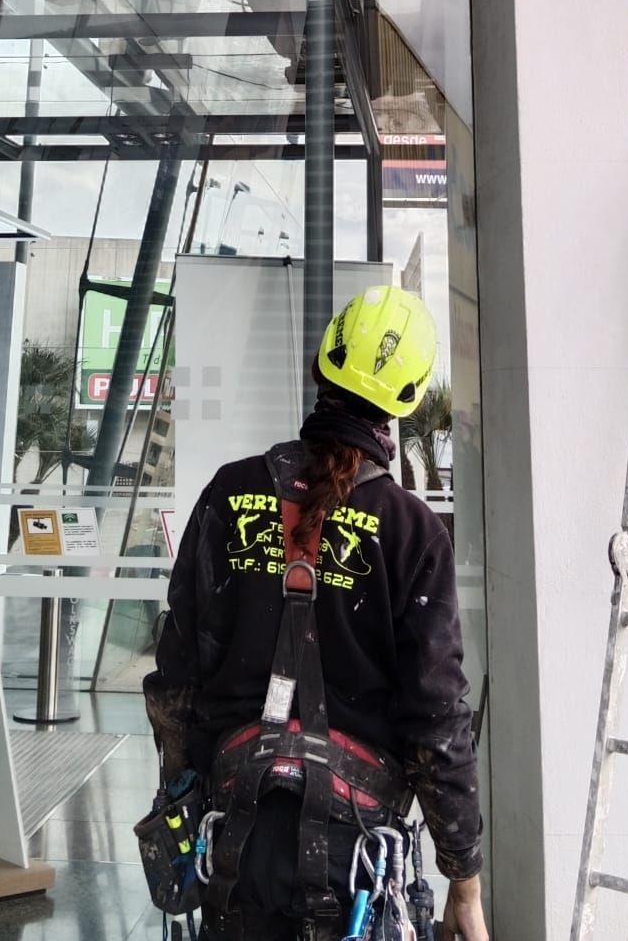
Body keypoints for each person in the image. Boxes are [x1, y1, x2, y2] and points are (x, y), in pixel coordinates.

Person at [144, 288, 488, 940]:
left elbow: (176, 680)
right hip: (352, 860)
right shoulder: (411, 532)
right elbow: (436, 721)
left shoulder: (229, 491)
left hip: (233, 845)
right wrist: (463, 884)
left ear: (321, 367)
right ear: (408, 398)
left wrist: (180, 795)